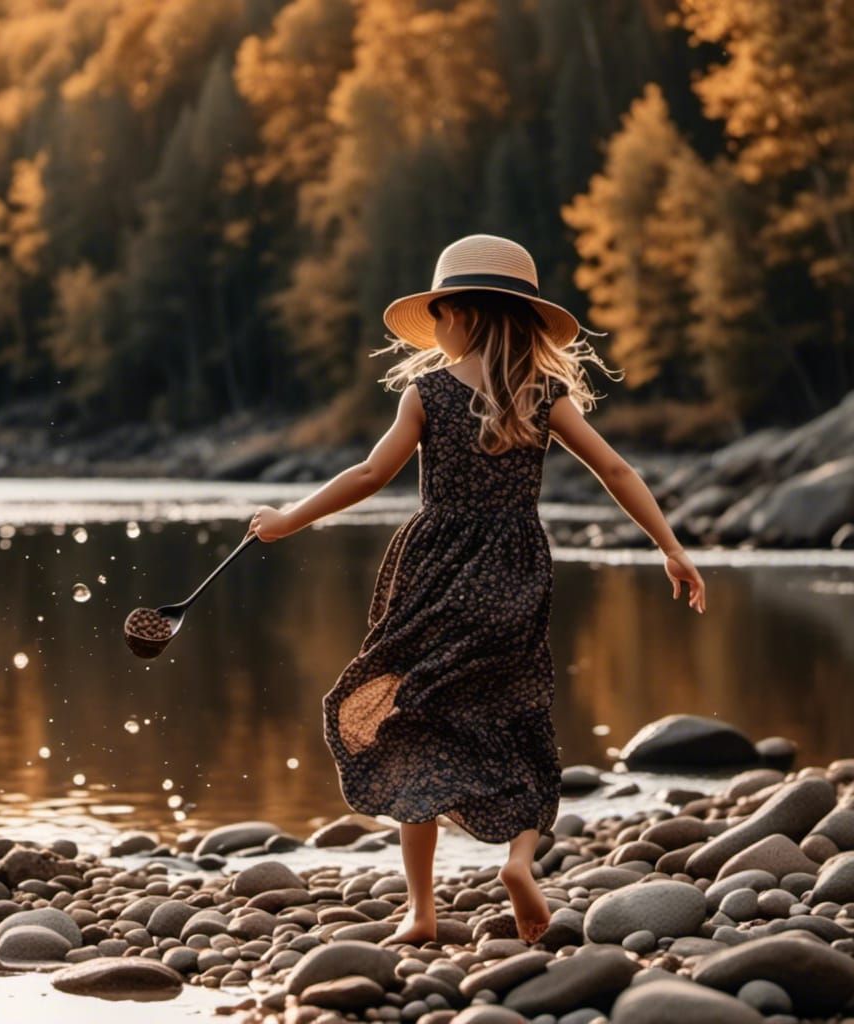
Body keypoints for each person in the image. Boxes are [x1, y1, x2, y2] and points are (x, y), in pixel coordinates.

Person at [247, 234, 706, 947]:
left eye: (438, 316)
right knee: (519, 719)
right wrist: (671, 549)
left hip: (432, 571)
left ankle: (421, 912)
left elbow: (370, 477)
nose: (435, 329)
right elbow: (617, 472)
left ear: (458, 316)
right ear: (520, 320)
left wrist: (288, 520)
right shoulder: (544, 394)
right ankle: (520, 862)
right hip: (516, 571)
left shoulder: (425, 393)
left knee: (409, 724)